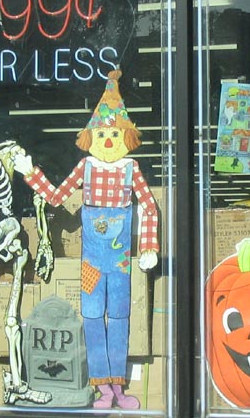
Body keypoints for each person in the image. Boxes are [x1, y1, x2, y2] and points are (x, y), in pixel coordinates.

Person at [14, 69, 159, 410]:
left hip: (121, 262)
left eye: (114, 134)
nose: (108, 141)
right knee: (93, 318)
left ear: (127, 137)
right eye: (102, 134)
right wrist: (31, 173)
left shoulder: (131, 169)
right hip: (92, 262)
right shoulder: (86, 168)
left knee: (120, 318)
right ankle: (102, 388)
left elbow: (149, 206)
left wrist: (148, 245)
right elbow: (56, 197)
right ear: (90, 137)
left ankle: (119, 387)